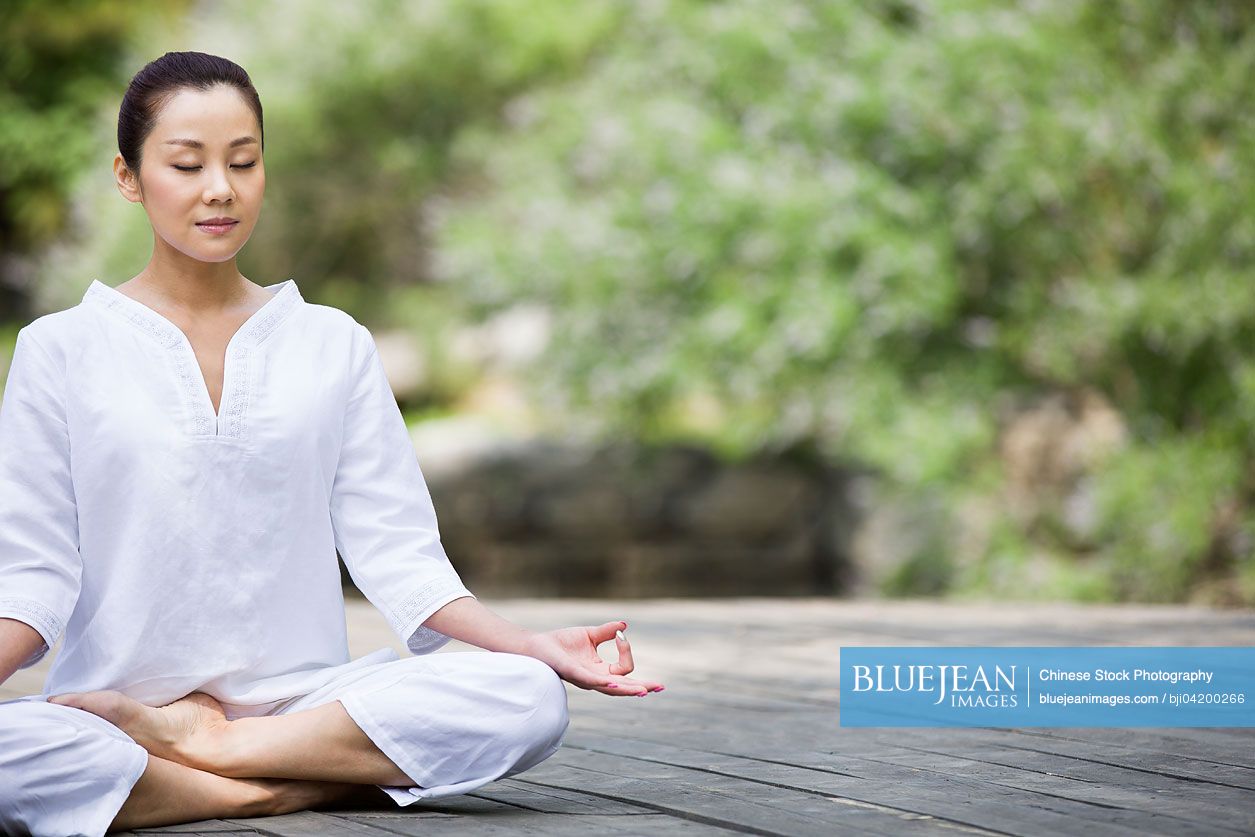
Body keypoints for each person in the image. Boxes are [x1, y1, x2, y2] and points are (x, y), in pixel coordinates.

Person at [0, 51, 664, 836]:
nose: (221, 188)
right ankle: (267, 787)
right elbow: (33, 575)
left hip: (311, 702)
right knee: (16, 746)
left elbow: (401, 554)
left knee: (527, 695)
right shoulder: (61, 348)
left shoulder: (331, 343)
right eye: (187, 164)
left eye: (243, 162)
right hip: (117, 711)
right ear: (129, 176)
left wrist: (529, 644)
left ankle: (212, 753)